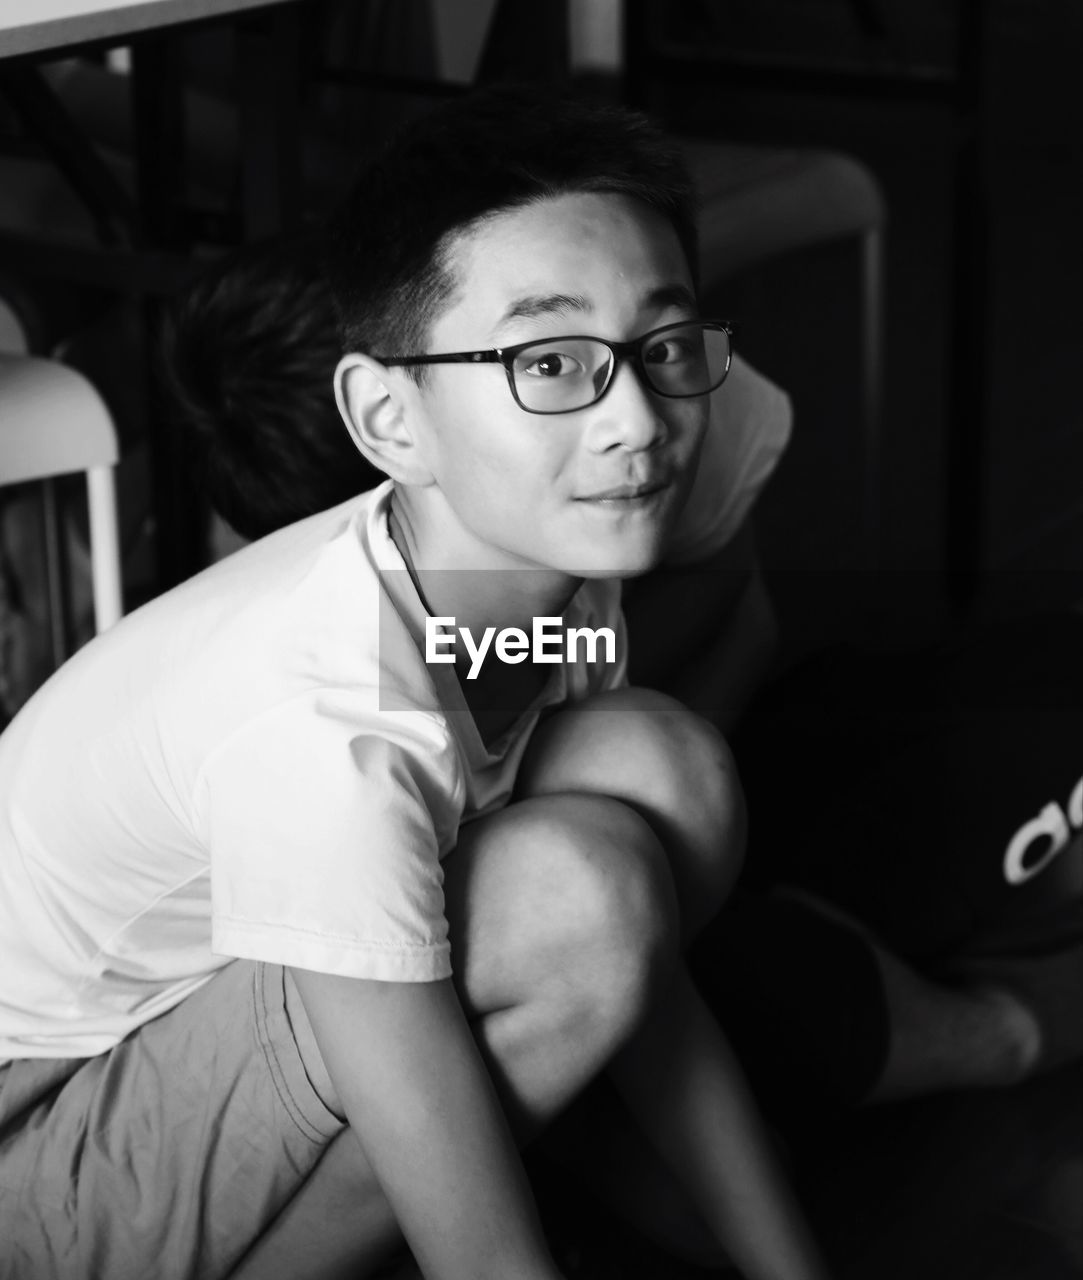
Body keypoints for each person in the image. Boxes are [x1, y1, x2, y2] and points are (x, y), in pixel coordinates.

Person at [0, 89, 831, 1280]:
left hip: (188, 1039)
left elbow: (653, 980)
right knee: (568, 898)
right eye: (550, 361)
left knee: (662, 768)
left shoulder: (553, 567)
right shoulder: (326, 725)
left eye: (660, 345)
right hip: (36, 1141)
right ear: (389, 419)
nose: (637, 419)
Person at [161, 228, 1083, 1132]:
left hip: (692, 739)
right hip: (497, 858)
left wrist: (652, 800)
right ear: (388, 442)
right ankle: (1000, 1027)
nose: (627, 420)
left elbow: (743, 624)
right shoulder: (301, 622)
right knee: (729, 989)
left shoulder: (640, 406)